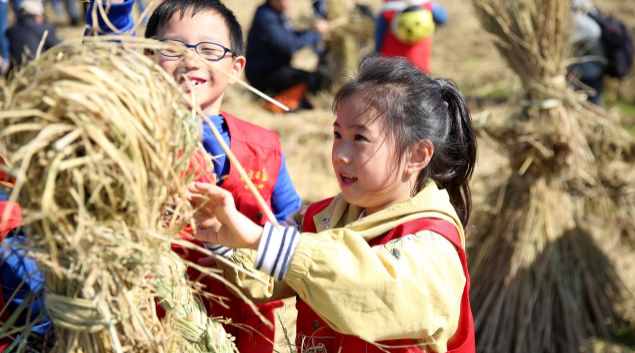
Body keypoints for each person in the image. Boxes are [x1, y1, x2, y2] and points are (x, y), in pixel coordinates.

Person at [0, 1, 303, 352]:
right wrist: (114, 14)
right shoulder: (132, 140)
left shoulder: (264, 147)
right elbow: (106, 70)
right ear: (145, 61)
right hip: (146, 329)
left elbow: (289, 226)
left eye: (209, 50)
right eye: (171, 49)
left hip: (239, 332)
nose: (191, 60)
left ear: (236, 68)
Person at [190, 56, 477, 353]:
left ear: (417, 156)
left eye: (360, 138)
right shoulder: (325, 216)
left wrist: (260, 238)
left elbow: (369, 289)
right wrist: (226, 239)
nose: (340, 153)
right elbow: (278, 276)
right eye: (338, 135)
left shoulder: (432, 240)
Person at [245, 0, 330, 112]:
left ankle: (293, 101)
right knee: (310, 80)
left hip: (276, 69)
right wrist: (315, 33)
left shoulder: (277, 13)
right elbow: (289, 45)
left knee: (319, 79)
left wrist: (311, 33)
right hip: (264, 75)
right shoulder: (265, 16)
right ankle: (278, 104)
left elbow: (291, 36)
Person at [376, 0, 447, 74]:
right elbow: (442, 18)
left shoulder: (387, 11)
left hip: (391, 66)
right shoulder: (426, 5)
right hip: (419, 65)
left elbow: (379, 42)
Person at [568, 0, 606, 104]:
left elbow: (593, 33)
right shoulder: (590, 13)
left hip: (587, 70)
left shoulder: (581, 22)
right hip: (592, 68)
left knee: (591, 100)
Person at [6, 0, 61, 68]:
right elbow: (60, 46)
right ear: (38, 15)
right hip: (36, 70)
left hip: (17, 71)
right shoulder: (43, 29)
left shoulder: (10, 31)